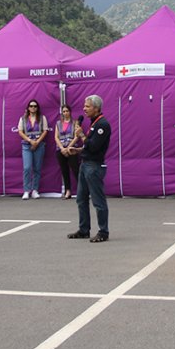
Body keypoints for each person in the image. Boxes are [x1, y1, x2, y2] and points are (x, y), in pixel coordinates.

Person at [67, 95, 110, 243]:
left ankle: (103, 231)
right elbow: (88, 147)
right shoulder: (93, 123)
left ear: (97, 108)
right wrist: (78, 150)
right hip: (85, 164)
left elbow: (94, 146)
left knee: (98, 201)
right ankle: (84, 229)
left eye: (87, 106)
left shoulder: (102, 125)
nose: (84, 109)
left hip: (94, 166)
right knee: (80, 199)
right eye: (84, 106)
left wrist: (81, 135)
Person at [18, 100, 49, 199]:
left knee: (37, 168)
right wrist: (30, 141)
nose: (33, 108)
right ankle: (26, 190)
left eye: (35, 106)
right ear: (28, 108)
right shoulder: (23, 119)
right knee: (27, 168)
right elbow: (20, 131)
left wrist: (37, 142)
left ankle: (35, 190)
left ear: (37, 108)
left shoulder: (42, 118)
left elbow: (45, 131)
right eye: (31, 106)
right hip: (27, 145)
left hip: (39, 145)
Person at [54, 104, 81, 199]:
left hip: (71, 149)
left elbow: (77, 136)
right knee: (64, 170)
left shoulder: (75, 123)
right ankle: (67, 190)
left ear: (70, 112)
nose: (65, 113)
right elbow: (56, 137)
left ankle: (81, 191)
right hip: (61, 150)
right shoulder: (58, 123)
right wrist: (62, 148)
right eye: (64, 111)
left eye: (67, 111)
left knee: (76, 169)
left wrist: (69, 147)